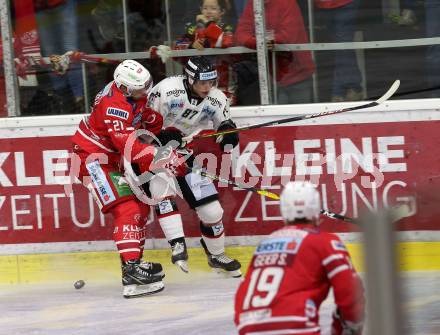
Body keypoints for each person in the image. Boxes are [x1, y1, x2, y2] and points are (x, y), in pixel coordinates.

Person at [70, 59, 185, 298]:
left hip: (110, 159)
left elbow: (141, 114)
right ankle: (132, 268)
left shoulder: (130, 93)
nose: (145, 91)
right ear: (124, 88)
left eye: (147, 86)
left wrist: (155, 124)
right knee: (127, 208)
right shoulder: (115, 105)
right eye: (140, 88)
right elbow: (130, 147)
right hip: (92, 160)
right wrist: (162, 156)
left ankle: (132, 268)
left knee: (141, 209)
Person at [147, 56, 242, 277]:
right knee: (163, 194)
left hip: (183, 154)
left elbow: (224, 125)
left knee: (212, 211)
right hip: (153, 153)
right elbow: (143, 125)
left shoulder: (217, 98)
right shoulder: (167, 90)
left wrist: (228, 134)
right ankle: (171, 248)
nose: (208, 87)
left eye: (211, 82)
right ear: (190, 79)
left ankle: (216, 255)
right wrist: (161, 136)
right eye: (202, 82)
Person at [234, 181, 365, 334]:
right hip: (296, 329)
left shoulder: (265, 244)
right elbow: (350, 293)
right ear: (316, 208)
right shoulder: (325, 241)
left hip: (248, 329)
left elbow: (241, 296)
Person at [234, 0, 315, 105]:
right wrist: (261, 42)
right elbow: (241, 35)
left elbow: (287, 36)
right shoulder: (254, 3)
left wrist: (260, 42)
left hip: (297, 73)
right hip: (272, 76)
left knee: (302, 117)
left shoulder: (288, 3)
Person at [175, 0, 237, 104]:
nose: (208, 12)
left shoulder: (227, 28)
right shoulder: (192, 29)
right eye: (205, 8)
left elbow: (226, 42)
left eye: (213, 8)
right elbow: (176, 51)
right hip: (196, 86)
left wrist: (208, 24)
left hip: (222, 84)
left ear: (222, 11)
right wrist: (190, 46)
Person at [314, 0, 363, 102]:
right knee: (340, 46)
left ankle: (340, 90)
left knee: (342, 44)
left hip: (344, 2)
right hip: (325, 4)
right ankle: (353, 87)